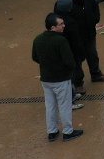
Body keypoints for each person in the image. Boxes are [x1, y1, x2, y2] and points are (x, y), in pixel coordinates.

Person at [32, 13, 83, 142]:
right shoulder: (60, 40)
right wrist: (70, 70)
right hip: (61, 79)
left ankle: (52, 132)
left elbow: (35, 57)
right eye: (61, 24)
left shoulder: (38, 39)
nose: (64, 26)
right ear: (53, 27)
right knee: (64, 105)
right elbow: (69, 61)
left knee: (50, 106)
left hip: (46, 79)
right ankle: (68, 132)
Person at [65, 0, 104, 83]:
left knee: (92, 55)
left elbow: (95, 6)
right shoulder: (66, 0)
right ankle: (78, 82)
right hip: (76, 36)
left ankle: (96, 74)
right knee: (77, 59)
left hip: (89, 32)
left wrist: (95, 18)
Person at [53, 0, 88, 97]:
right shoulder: (71, 23)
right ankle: (72, 93)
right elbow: (76, 41)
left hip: (59, 52)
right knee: (73, 71)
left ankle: (71, 92)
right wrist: (82, 54)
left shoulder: (53, 19)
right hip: (71, 51)